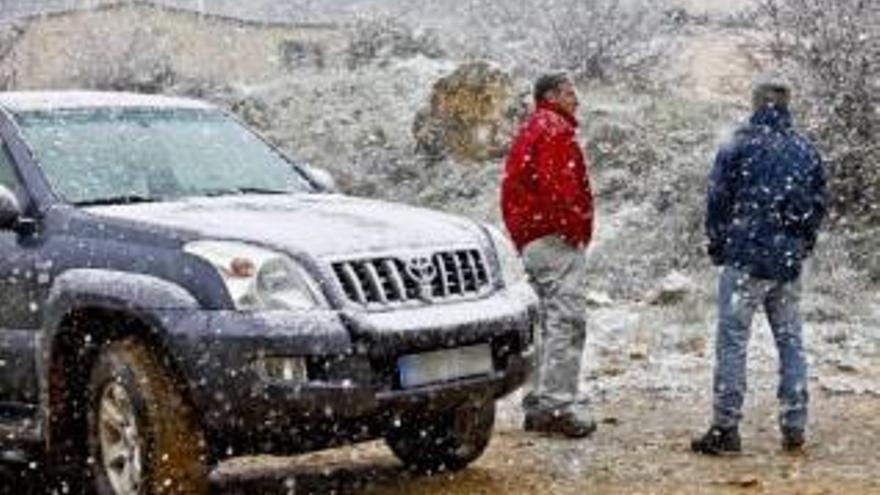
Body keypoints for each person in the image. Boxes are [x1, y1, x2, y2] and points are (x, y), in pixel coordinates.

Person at [692, 70, 828, 455]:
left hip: (745, 259)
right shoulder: (805, 148)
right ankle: (795, 424)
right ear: (786, 106)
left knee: (733, 341)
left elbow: (718, 199)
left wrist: (719, 245)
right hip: (785, 262)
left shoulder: (739, 144)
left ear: (755, 105)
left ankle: (726, 428)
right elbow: (817, 205)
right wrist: (801, 244)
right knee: (790, 340)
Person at [501, 73, 596, 438]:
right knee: (567, 321)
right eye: (572, 94)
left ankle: (539, 400)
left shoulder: (532, 128)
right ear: (553, 95)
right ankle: (557, 406)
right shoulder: (555, 129)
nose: (578, 101)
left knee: (544, 322)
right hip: (553, 238)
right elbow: (560, 186)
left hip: (532, 237)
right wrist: (575, 227)